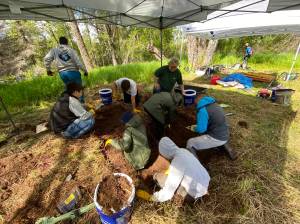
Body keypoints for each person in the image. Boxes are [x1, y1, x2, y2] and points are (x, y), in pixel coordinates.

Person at [150, 137, 210, 202]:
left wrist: (154, 198)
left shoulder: (177, 162)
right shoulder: (183, 151)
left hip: (196, 193)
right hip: (206, 182)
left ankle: (194, 199)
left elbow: (168, 192)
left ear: (165, 152)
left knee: (159, 177)